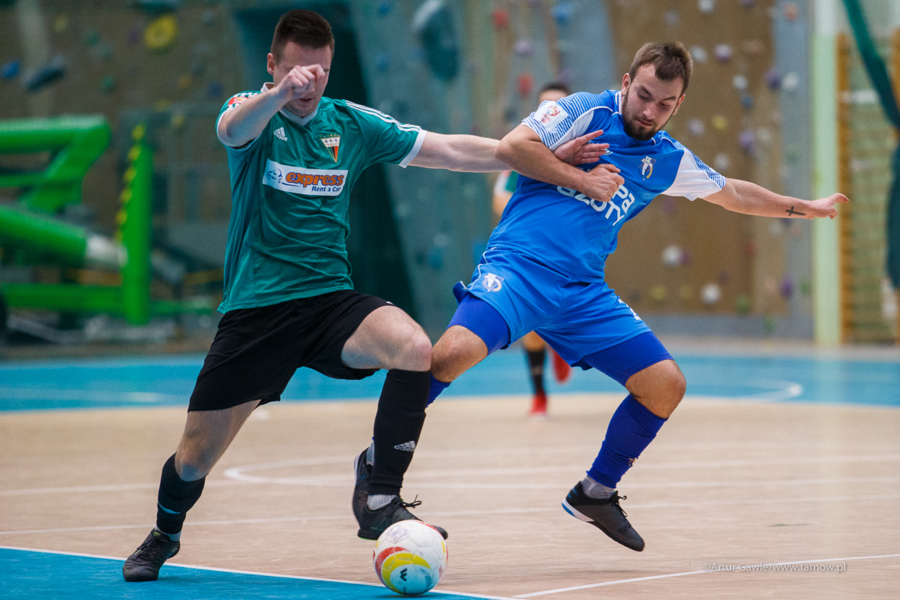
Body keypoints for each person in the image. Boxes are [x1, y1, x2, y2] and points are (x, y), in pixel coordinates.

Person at [121, 9, 603, 582]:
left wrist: (544, 164)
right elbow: (231, 132)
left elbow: (447, 149)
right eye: (297, 71)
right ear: (274, 66)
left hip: (328, 303)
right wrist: (278, 94)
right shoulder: (253, 114)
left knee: (412, 346)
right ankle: (164, 533)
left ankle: (378, 496)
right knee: (195, 456)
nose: (309, 83)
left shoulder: (349, 125)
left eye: (320, 72)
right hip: (256, 313)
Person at [426, 42, 848, 552]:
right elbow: (511, 149)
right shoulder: (584, 109)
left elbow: (733, 193)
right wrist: (580, 176)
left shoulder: (667, 159)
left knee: (665, 385)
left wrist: (807, 207)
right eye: (643, 95)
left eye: (664, 104)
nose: (649, 111)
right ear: (626, 83)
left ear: (678, 105)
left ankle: (596, 492)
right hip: (519, 268)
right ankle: (382, 468)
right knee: (449, 355)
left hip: (582, 292)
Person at [492, 82, 574, 417]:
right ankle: (539, 394)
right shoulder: (522, 149)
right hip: (527, 249)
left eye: (557, 105)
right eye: (544, 106)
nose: (549, 112)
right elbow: (499, 198)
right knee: (531, 322)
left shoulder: (587, 150)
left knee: (558, 316)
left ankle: (560, 343)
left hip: (570, 252)